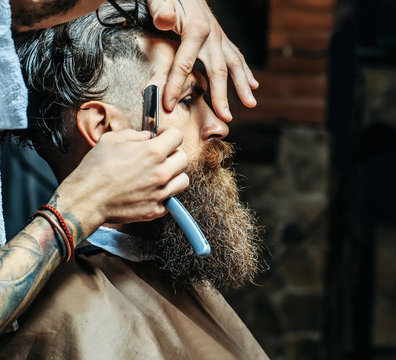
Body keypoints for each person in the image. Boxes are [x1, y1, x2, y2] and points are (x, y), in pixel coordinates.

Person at [0, 1, 267, 358]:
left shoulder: (173, 281)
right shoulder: (66, 312)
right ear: (103, 128)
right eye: (189, 99)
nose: (220, 125)